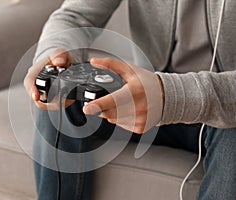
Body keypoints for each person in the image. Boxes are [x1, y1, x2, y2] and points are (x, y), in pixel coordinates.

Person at [24, 0, 236, 199]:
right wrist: (53, 56)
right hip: (149, 91)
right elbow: (73, 15)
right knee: (62, 92)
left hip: (225, 108)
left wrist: (169, 95)